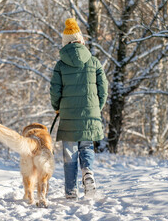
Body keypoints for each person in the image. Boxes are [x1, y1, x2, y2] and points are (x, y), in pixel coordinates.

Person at [50, 18, 108, 200]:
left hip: (68, 114)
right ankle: (88, 172)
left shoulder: (60, 65)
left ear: (65, 43)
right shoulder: (94, 62)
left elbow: (55, 90)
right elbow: (103, 88)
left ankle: (70, 191)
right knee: (86, 146)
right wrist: (96, 108)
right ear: (81, 40)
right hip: (90, 113)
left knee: (69, 153)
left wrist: (57, 107)